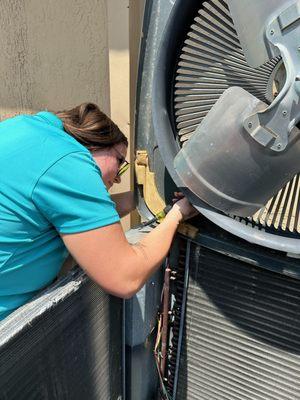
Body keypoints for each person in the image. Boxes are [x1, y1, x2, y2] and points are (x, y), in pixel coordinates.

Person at [0, 102, 197, 320]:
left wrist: (140, 199)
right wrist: (178, 213)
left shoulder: (27, 128)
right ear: (96, 142)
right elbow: (125, 277)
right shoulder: (69, 164)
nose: (119, 177)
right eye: (120, 160)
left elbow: (81, 216)